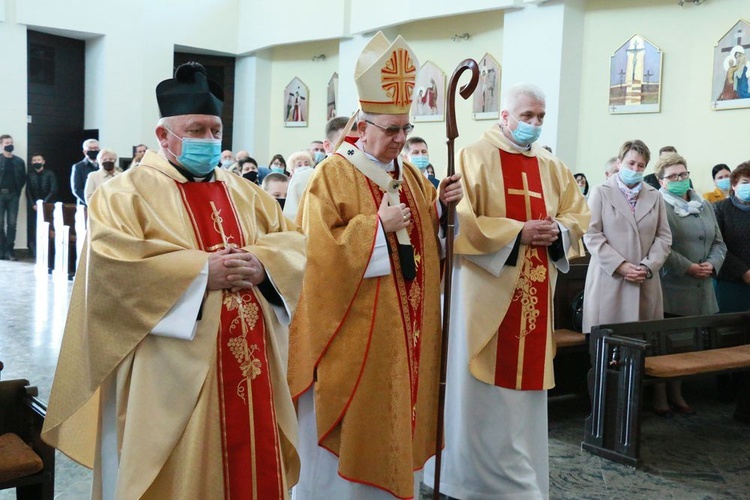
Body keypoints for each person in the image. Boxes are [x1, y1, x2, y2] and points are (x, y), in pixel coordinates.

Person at [42, 62, 305, 499]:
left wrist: (261, 265)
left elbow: (293, 244)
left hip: (251, 366)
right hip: (168, 372)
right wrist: (202, 272)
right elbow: (113, 269)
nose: (208, 140)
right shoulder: (124, 194)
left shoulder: (249, 193)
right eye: (196, 129)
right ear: (164, 136)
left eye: (215, 129)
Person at [288, 32, 462, 500]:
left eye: (405, 128)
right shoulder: (333, 173)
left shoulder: (409, 175)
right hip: (357, 330)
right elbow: (317, 254)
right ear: (362, 126)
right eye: (390, 129)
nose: (401, 139)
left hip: (405, 331)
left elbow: (424, 242)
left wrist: (441, 210)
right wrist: (373, 226)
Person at [424, 83, 590, 499]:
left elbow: (577, 211)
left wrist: (558, 230)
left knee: (522, 401)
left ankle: (522, 476)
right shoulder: (473, 156)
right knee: (481, 392)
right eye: (526, 116)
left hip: (534, 292)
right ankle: (471, 479)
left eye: (539, 117)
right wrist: (518, 232)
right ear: (504, 116)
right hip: (484, 294)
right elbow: (458, 221)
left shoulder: (551, 166)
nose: (533, 124)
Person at [655, 152, 726, 416]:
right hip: (674, 284)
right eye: (672, 176)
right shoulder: (659, 205)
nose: (679, 179)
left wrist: (712, 264)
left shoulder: (704, 205)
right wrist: (688, 266)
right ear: (662, 181)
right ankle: (661, 394)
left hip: (703, 285)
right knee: (667, 343)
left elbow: (719, 242)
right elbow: (661, 245)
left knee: (688, 344)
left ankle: (678, 391)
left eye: (683, 174)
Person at [582, 139, 671, 338]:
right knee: (608, 346)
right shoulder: (600, 192)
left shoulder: (655, 196)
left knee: (643, 342)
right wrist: (620, 265)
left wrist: (648, 266)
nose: (635, 169)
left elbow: (663, 236)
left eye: (641, 165)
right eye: (631, 163)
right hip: (610, 277)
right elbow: (591, 234)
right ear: (619, 163)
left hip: (644, 278)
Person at [283, 116, 356, 221]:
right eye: (345, 144)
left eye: (357, 144)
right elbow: (292, 224)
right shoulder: (304, 179)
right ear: (327, 146)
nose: (352, 151)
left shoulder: (366, 178)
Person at [714, 161, 750, 313]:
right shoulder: (720, 209)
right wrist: (744, 272)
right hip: (730, 283)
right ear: (734, 185)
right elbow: (717, 245)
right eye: (745, 182)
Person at [0, 134, 27, 260]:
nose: (9, 144)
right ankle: (1, 250)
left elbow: (22, 179)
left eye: (11, 142)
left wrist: (16, 192)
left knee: (12, 224)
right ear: (1, 145)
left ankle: (10, 251)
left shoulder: (19, 161)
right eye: (6, 142)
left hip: (13, 195)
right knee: (0, 224)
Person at [26, 153, 58, 257]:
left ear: (43, 161)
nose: (36, 162)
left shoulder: (50, 173)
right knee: (34, 228)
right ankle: (35, 252)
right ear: (31, 162)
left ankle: (49, 252)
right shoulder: (29, 174)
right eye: (34, 160)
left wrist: (44, 203)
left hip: (48, 206)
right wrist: (33, 205)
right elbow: (28, 191)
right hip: (34, 207)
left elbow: (53, 190)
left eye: (38, 160)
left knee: (48, 227)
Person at [70, 138, 100, 206]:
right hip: (85, 205)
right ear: (84, 152)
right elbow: (77, 189)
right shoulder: (78, 167)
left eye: (95, 148)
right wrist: (90, 202)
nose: (93, 150)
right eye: (90, 148)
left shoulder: (103, 166)